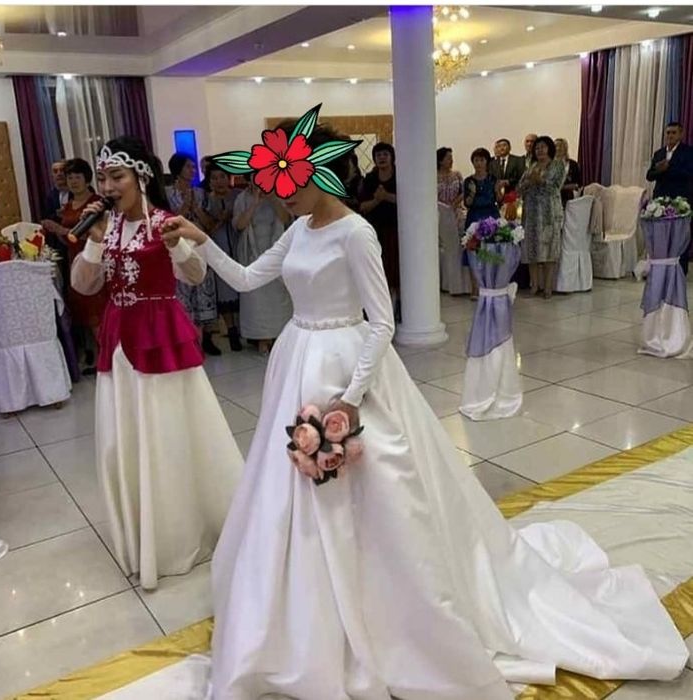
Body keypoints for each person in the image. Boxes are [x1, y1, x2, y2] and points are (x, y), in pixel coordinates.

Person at [161, 119, 688, 699]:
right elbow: (245, 277)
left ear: (317, 172)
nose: (280, 195)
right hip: (296, 359)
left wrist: (349, 400)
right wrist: (199, 239)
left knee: (378, 492)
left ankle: (385, 612)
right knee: (289, 491)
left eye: (288, 183)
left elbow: (381, 323)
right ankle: (300, 606)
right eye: (273, 184)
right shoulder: (300, 229)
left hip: (347, 367)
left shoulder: (355, 232)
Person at [70, 136, 243, 590]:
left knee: (166, 432)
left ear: (141, 178)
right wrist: (93, 244)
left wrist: (178, 247)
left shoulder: (166, 221)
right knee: (125, 435)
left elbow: (196, 275)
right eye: (103, 178)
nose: (108, 186)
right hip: (118, 336)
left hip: (160, 332)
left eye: (117, 176)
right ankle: (140, 527)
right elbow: (84, 286)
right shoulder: (104, 227)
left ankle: (176, 532)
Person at [41, 158, 106, 374]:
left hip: (94, 260)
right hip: (74, 260)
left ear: (87, 179)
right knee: (83, 312)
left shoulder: (96, 203)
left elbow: (94, 235)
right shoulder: (69, 205)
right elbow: (67, 240)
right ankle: (96, 357)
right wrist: (57, 231)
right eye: (70, 177)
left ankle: (107, 358)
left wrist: (60, 229)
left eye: (77, 177)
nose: (73, 181)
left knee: (97, 312)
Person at [167, 152, 222, 355]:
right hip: (178, 249)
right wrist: (185, 206)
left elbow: (210, 224)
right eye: (188, 166)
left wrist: (196, 209)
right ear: (178, 169)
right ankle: (186, 342)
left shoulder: (201, 193)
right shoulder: (168, 194)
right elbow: (169, 223)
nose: (193, 170)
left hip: (199, 248)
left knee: (203, 291)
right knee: (182, 293)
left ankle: (205, 339)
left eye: (193, 166)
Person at [233, 174, 293, 355]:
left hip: (276, 249)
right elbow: (239, 225)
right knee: (256, 296)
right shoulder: (242, 198)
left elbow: (287, 219)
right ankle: (261, 338)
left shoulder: (280, 194)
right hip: (252, 252)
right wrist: (255, 202)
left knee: (278, 295)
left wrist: (273, 198)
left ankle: (279, 336)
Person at [518, 135, 566, 299]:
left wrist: (540, 181)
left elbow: (556, 187)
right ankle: (534, 286)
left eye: (543, 147)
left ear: (549, 148)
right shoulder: (531, 166)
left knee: (549, 250)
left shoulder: (557, 165)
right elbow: (519, 188)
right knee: (531, 251)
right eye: (537, 148)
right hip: (531, 213)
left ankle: (547, 287)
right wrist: (529, 182)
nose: (540, 150)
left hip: (549, 213)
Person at [202, 161, 243, 352]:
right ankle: (231, 330)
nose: (219, 181)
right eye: (214, 178)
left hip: (239, 246)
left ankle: (245, 328)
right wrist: (220, 219)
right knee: (224, 289)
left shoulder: (239, 196)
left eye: (222, 177)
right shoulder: (206, 200)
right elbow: (207, 228)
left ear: (229, 178)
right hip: (218, 247)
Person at [646, 121, 693, 274]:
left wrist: (668, 168)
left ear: (681, 134)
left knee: (680, 236)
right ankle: (662, 269)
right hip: (661, 201)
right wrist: (659, 170)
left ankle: (680, 270)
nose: (670, 136)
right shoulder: (659, 153)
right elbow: (649, 176)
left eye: (673, 133)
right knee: (662, 236)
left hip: (680, 200)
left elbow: (689, 173)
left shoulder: (688, 152)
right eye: (668, 133)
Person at [359, 142, 400, 318]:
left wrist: (387, 196)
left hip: (396, 230)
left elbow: (409, 200)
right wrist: (377, 200)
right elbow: (363, 206)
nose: (382, 158)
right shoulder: (370, 179)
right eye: (378, 155)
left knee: (396, 270)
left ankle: (397, 307)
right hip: (375, 230)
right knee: (378, 270)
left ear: (392, 157)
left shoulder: (400, 176)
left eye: (385, 154)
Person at [464, 147, 503, 299]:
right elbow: (467, 203)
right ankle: (475, 288)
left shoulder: (493, 179)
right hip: (474, 216)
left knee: (491, 251)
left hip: (491, 215)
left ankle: (490, 286)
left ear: (487, 162)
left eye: (482, 160)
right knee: (473, 251)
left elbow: (499, 200)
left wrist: (498, 190)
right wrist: (472, 193)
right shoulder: (469, 181)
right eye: (476, 160)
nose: (479, 163)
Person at [436, 146, 464, 223]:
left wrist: (454, 203)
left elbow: (463, 192)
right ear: (440, 161)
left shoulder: (457, 175)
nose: (451, 161)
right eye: (448, 158)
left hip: (456, 212)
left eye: (452, 158)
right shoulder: (433, 177)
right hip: (439, 213)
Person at [555, 138, 582, 207]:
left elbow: (578, 184)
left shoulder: (573, 164)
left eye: (560, 146)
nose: (558, 148)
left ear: (565, 148)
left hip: (569, 198)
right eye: (556, 146)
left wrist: (563, 187)